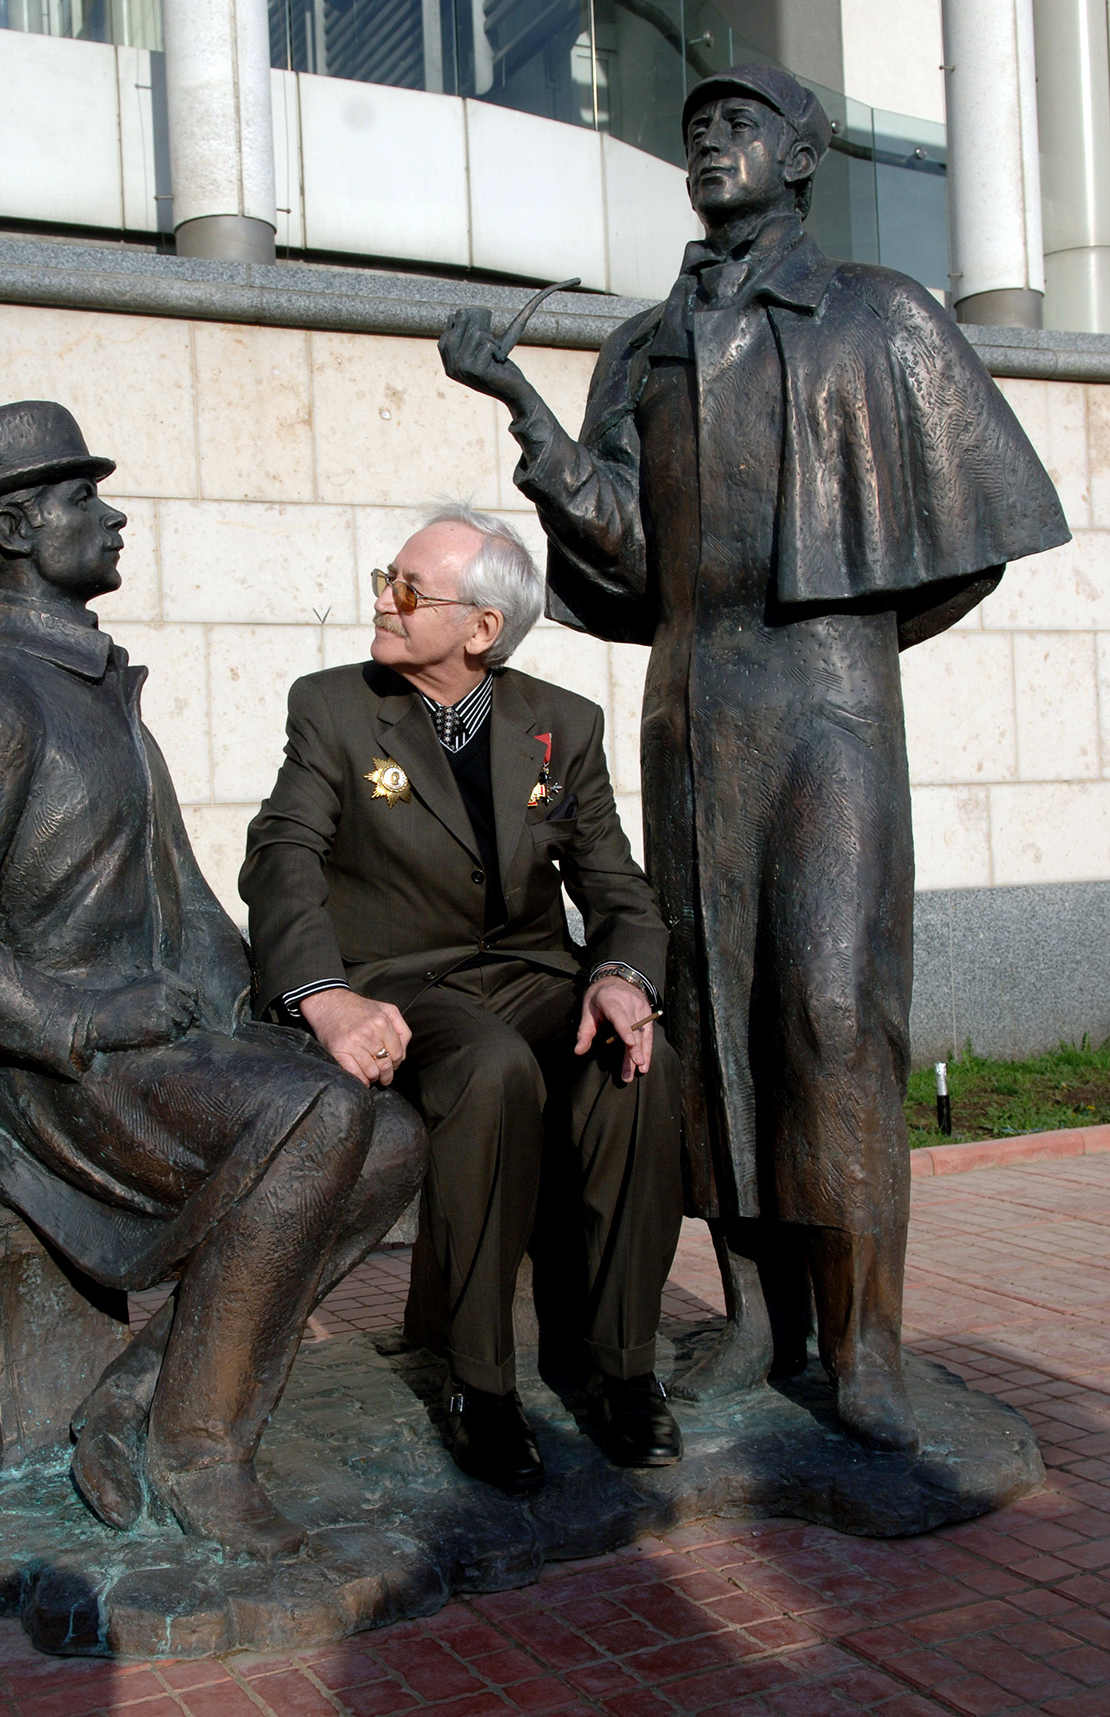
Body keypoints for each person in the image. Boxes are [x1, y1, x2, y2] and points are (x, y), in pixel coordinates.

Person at [437, 65, 1068, 1452]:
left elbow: (974, 537)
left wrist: (845, 633)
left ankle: (869, 1345)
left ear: (803, 155)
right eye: (697, 127)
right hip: (689, 708)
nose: (711, 139)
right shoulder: (644, 345)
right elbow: (628, 558)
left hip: (828, 705)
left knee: (832, 1014)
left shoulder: (883, 316)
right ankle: (758, 1324)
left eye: (742, 123)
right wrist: (526, 416)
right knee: (708, 1019)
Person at [0, 401, 426, 1560]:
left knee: (395, 1135)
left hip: (153, 1048)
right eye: (81, 500)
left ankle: (137, 1397)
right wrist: (76, 1014)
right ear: (14, 525)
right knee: (316, 1117)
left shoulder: (101, 694)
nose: (111, 518)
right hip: (44, 1067)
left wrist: (294, 1007)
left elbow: (186, 904)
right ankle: (197, 1450)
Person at [241, 504, 683, 1493]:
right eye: (384, 579)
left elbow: (613, 887)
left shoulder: (559, 727)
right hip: (398, 985)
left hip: (528, 976)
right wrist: (321, 996)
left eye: (408, 589)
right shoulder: (333, 708)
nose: (383, 601)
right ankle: (479, 1385)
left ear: (481, 628)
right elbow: (282, 858)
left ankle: (623, 1368)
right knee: (488, 1071)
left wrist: (618, 976)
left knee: (639, 1062)